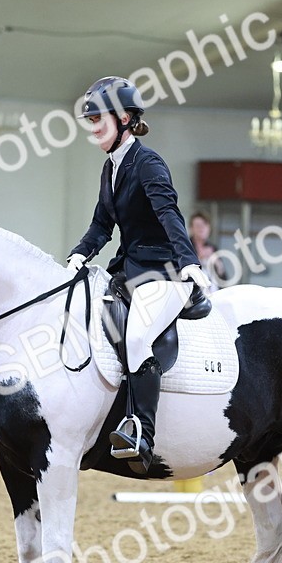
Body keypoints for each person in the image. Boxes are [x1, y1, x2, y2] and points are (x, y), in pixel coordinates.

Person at [66, 76, 208, 473]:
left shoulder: (148, 164)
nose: (94, 127)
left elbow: (169, 215)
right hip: (128, 271)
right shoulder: (109, 168)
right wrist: (79, 254)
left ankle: (141, 433)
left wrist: (190, 263)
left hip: (164, 271)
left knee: (138, 336)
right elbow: (101, 227)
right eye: (91, 120)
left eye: (101, 119)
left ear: (125, 118)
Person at [188, 210, 234, 289]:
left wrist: (217, 263)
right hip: (195, 293)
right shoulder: (187, 247)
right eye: (198, 225)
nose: (201, 228)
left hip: (213, 292)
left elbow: (223, 278)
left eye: (204, 225)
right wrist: (199, 258)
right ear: (191, 229)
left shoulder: (212, 248)